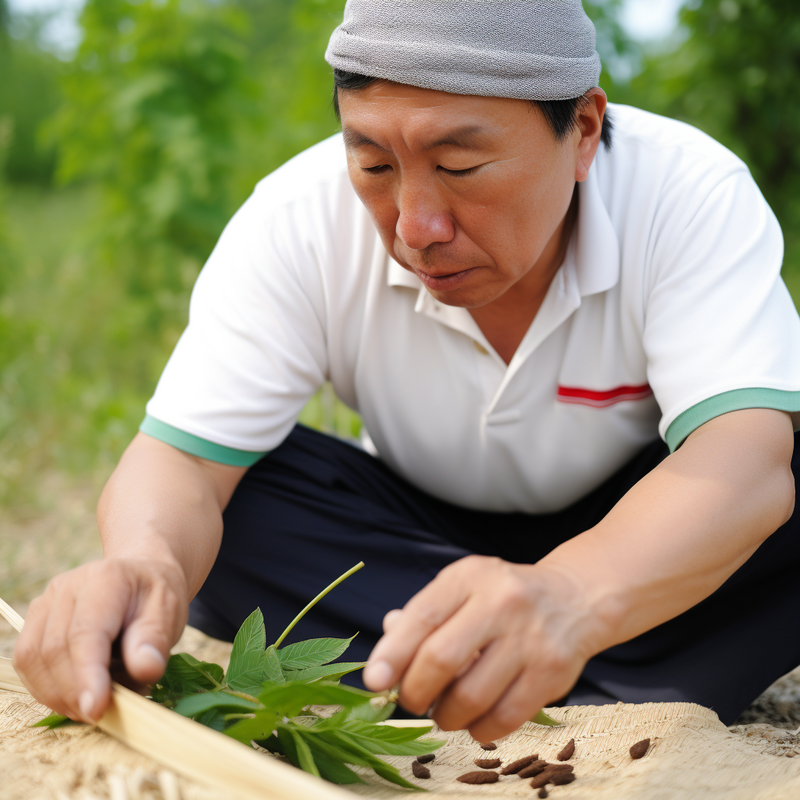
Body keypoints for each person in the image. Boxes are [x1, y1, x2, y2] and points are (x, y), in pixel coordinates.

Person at [14, 0, 800, 744]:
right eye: (375, 163)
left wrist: (569, 597)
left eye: (460, 165)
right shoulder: (295, 220)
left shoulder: (686, 193)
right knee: (236, 499)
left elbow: (743, 457)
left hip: (631, 527)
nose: (417, 227)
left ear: (585, 129)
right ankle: (587, 667)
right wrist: (144, 563)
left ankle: (506, 657)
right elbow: (181, 460)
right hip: (418, 541)